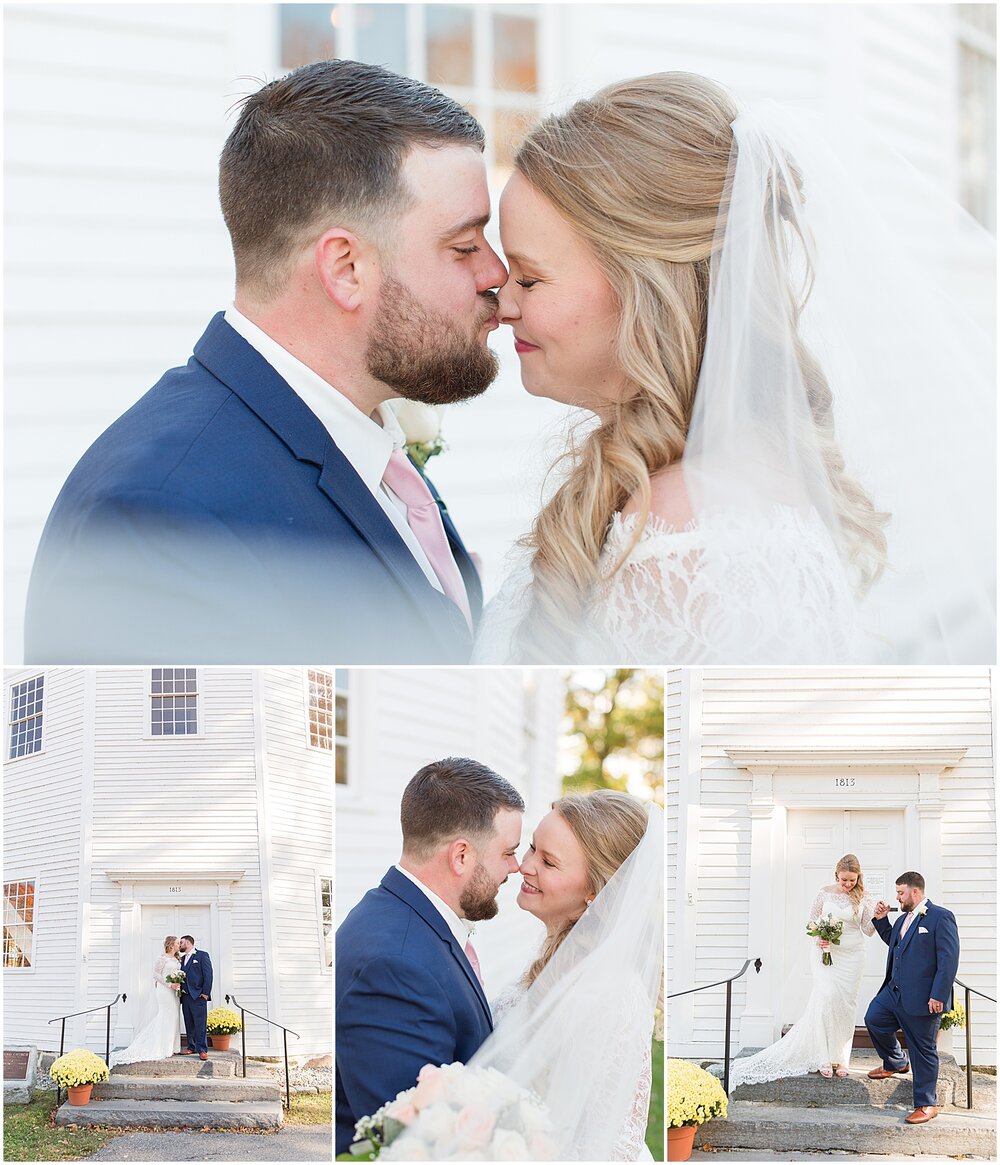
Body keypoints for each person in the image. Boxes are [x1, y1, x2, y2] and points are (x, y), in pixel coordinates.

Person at [476, 71, 994, 664]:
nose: (504, 302)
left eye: (532, 277)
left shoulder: (685, 538)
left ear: (647, 289)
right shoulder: (693, 486)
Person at [25, 59, 506, 665]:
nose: (496, 274)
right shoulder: (161, 518)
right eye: (464, 246)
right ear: (346, 270)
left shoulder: (358, 437)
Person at [382, 793, 663, 1162]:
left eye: (548, 861)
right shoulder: (551, 958)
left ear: (595, 891)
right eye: (532, 848)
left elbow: (610, 1146)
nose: (524, 866)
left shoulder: (609, 993)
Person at [335, 758, 525, 1156]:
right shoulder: (396, 965)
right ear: (461, 856)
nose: (516, 867)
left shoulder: (401, 917)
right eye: (508, 852)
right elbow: (411, 1143)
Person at [725, 855, 877, 1091]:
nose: (848, 884)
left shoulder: (863, 897)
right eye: (845, 879)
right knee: (826, 997)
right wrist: (821, 938)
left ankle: (841, 1057)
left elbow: (867, 931)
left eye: (852, 880)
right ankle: (822, 1055)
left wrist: (878, 915)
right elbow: (811, 923)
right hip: (825, 954)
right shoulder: (823, 893)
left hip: (853, 957)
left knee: (846, 1005)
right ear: (837, 873)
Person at [865, 871, 960, 1125]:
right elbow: (895, 943)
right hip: (893, 992)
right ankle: (895, 1061)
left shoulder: (941, 917)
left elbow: (948, 960)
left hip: (923, 998)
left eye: (900, 893)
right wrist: (882, 920)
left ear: (915, 892)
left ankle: (927, 1103)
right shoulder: (902, 919)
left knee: (923, 1049)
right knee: (873, 1019)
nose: (897, 897)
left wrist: (938, 995)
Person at [110, 935, 182, 1066]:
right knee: (166, 1015)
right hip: (164, 990)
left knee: (174, 1016)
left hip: (174, 991)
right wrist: (169, 984)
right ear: (171, 945)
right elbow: (156, 974)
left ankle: (172, 1047)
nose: (179, 945)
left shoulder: (177, 958)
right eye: (177, 943)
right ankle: (162, 1047)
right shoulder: (162, 958)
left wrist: (177, 983)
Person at [177, 934, 214, 1060]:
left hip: (198, 996)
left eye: (181, 943)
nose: (179, 945)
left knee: (200, 1024)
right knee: (189, 1023)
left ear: (187, 942)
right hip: (185, 996)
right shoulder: (181, 959)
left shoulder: (202, 955)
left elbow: (208, 975)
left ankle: (202, 1050)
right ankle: (191, 1047)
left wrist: (205, 993)